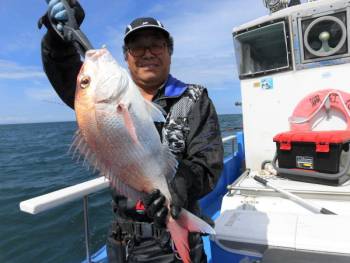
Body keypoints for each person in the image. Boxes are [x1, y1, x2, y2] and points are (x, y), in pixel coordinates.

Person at [40, 1, 224, 262]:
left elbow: (209, 164)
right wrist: (57, 40)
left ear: (170, 52)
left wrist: (177, 186)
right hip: (122, 241)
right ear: (126, 56)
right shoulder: (101, 98)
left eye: (156, 45)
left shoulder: (193, 99)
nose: (147, 53)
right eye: (137, 47)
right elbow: (68, 72)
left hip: (173, 242)